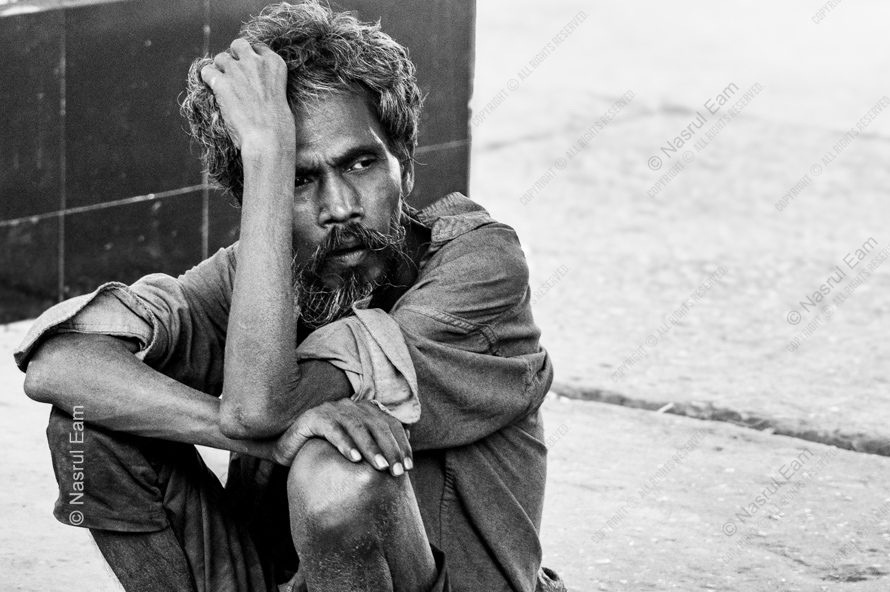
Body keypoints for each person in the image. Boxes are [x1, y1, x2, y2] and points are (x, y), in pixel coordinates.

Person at [15, 2, 563, 591]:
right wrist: (262, 440)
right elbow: (56, 363)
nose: (341, 208)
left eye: (360, 163)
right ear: (257, 195)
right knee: (86, 428)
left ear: (402, 164)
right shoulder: (254, 277)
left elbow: (260, 408)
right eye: (299, 179)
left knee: (341, 471)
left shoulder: (478, 266)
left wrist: (265, 430)